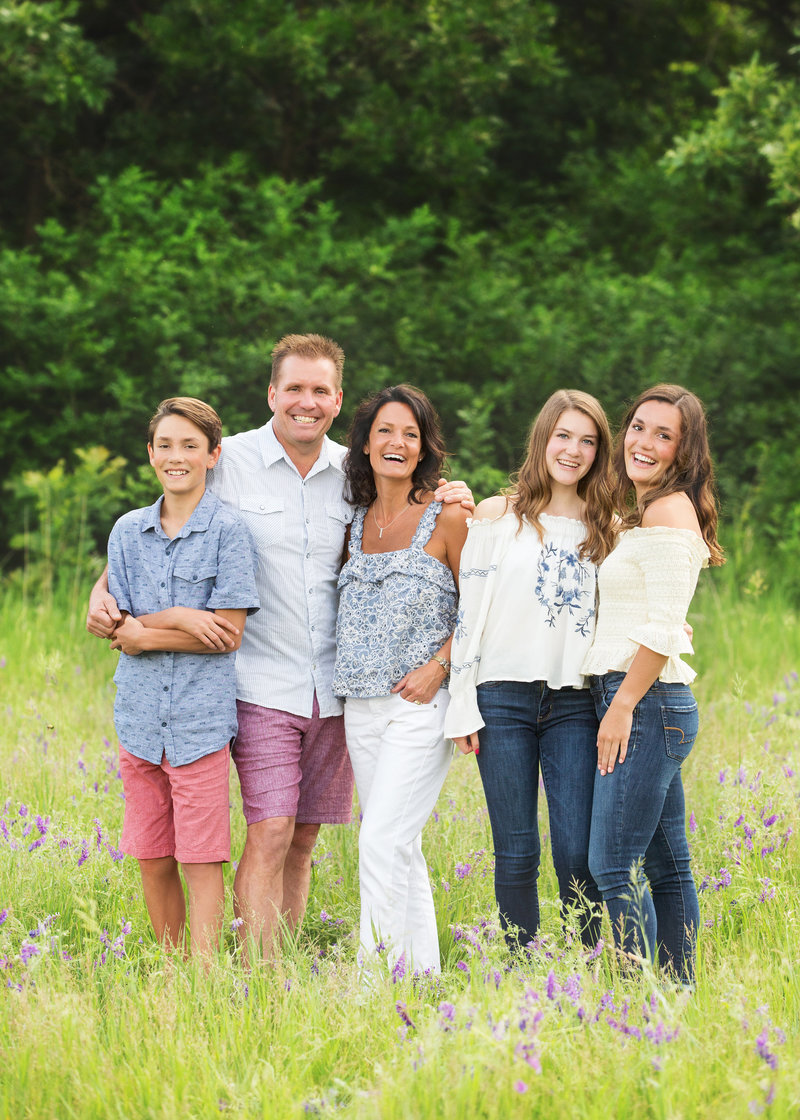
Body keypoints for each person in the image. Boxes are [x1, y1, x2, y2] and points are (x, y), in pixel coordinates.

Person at [88, 334, 473, 958]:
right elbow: (167, 522)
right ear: (272, 393)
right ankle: (258, 975)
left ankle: (282, 970)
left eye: (320, 390)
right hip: (259, 684)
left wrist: (461, 495)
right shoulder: (229, 463)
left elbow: (420, 513)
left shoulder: (358, 472)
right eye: (294, 388)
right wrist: (100, 589)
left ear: (337, 398)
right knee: (268, 832)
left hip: (342, 690)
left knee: (303, 840)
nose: (306, 401)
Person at [446, 390, 617, 951]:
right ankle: (523, 966)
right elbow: (468, 617)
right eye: (563, 436)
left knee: (576, 850)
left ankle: (585, 962)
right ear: (542, 438)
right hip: (502, 699)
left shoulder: (610, 528)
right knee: (516, 847)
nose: (573, 450)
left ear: (599, 452)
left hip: (574, 703)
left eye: (587, 441)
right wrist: (462, 702)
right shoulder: (497, 517)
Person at [106, 397, 259, 958]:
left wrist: (147, 631)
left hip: (200, 723)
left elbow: (228, 633)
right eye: (166, 445)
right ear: (150, 454)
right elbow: (117, 627)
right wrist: (175, 619)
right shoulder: (127, 533)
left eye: (190, 446)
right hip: (139, 720)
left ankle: (204, 975)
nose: (177, 456)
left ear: (213, 455)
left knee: (201, 855)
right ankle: (171, 969)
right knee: (151, 853)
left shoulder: (229, 532)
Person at [582, 383, 724, 985]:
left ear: (682, 452)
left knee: (612, 864)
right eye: (638, 427)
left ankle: (637, 999)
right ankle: (678, 992)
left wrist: (621, 706)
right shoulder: (641, 512)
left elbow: (664, 627)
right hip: (644, 700)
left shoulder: (669, 511)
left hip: (644, 702)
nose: (643, 442)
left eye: (663, 435)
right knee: (669, 866)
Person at [333, 385, 470, 976]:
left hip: (421, 705)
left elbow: (482, 609)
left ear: (423, 449)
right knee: (400, 848)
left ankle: (371, 986)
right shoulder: (353, 520)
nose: (397, 442)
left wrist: (439, 664)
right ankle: (423, 978)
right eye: (385, 431)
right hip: (359, 706)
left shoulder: (450, 514)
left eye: (410, 434)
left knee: (380, 842)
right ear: (365, 443)